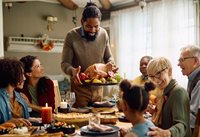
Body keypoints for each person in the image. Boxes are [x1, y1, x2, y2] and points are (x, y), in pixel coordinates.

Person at [61, 2, 116, 107]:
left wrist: (110, 64)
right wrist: (72, 71)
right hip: (79, 89)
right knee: (81, 120)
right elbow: (65, 63)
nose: (93, 30)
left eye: (96, 27)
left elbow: (109, 57)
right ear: (82, 22)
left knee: (97, 119)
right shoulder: (71, 36)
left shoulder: (103, 34)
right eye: (89, 26)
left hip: (98, 88)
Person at [146, 57, 191, 137]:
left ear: (169, 71)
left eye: (158, 74)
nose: (155, 80)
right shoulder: (165, 91)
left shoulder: (178, 92)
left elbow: (182, 125)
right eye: (151, 76)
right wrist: (154, 112)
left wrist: (167, 133)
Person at [0, 58, 31, 127]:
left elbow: (25, 120)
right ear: (11, 75)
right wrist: (6, 124)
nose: (24, 78)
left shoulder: (20, 97)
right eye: (21, 74)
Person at [178, 45, 200, 132]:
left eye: (182, 60)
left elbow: (193, 118)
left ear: (195, 61)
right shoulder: (192, 77)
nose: (178, 64)